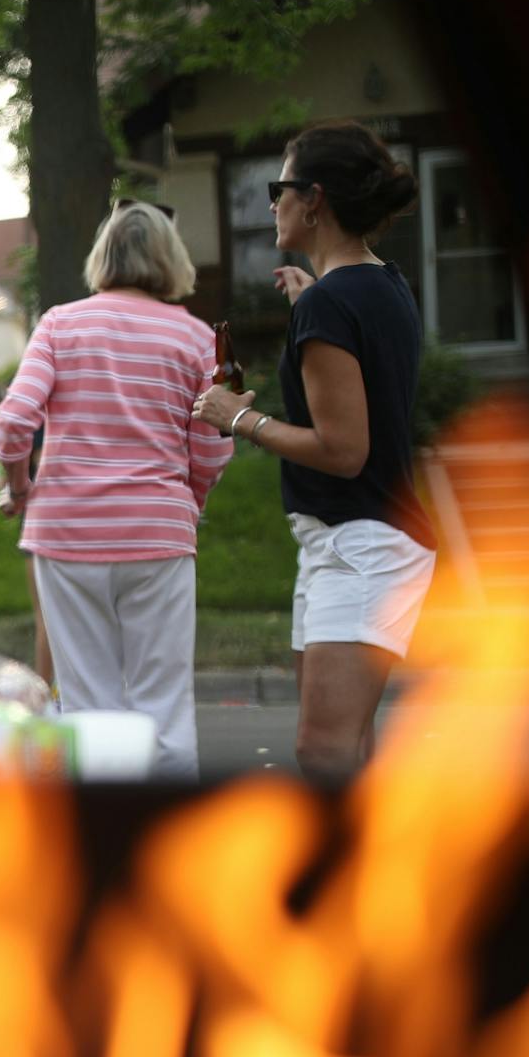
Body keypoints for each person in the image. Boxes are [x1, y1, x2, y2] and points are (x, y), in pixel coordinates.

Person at [193, 121, 429, 782]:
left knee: (323, 749)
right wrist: (312, 301)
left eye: (281, 187)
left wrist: (240, 416)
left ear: (314, 200)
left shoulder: (332, 304)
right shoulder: (381, 284)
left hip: (360, 546)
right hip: (351, 540)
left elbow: (344, 449)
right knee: (346, 744)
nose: (271, 203)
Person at [0, 202, 233, 778]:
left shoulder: (59, 323)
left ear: (103, 256)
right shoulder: (199, 337)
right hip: (159, 532)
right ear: (169, 258)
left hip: (66, 532)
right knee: (165, 703)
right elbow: (212, 445)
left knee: (86, 703)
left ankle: (98, 845)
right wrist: (188, 502)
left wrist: (21, 485)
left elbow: (14, 422)